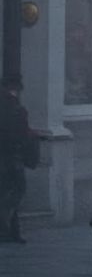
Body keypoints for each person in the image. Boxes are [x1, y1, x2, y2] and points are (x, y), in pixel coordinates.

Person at [0, 73, 41, 244]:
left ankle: (12, 232)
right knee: (17, 189)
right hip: (10, 154)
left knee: (7, 189)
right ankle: (5, 226)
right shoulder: (14, 107)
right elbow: (19, 132)